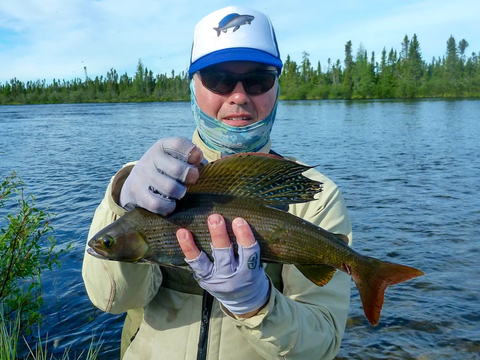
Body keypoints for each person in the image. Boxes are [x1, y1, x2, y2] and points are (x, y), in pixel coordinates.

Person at [82, 6, 352, 360]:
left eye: (258, 79)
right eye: (219, 79)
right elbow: (113, 299)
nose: (239, 96)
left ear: (276, 88)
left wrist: (258, 306)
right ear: (193, 86)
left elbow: (323, 344)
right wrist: (121, 197)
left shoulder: (315, 196)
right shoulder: (143, 183)